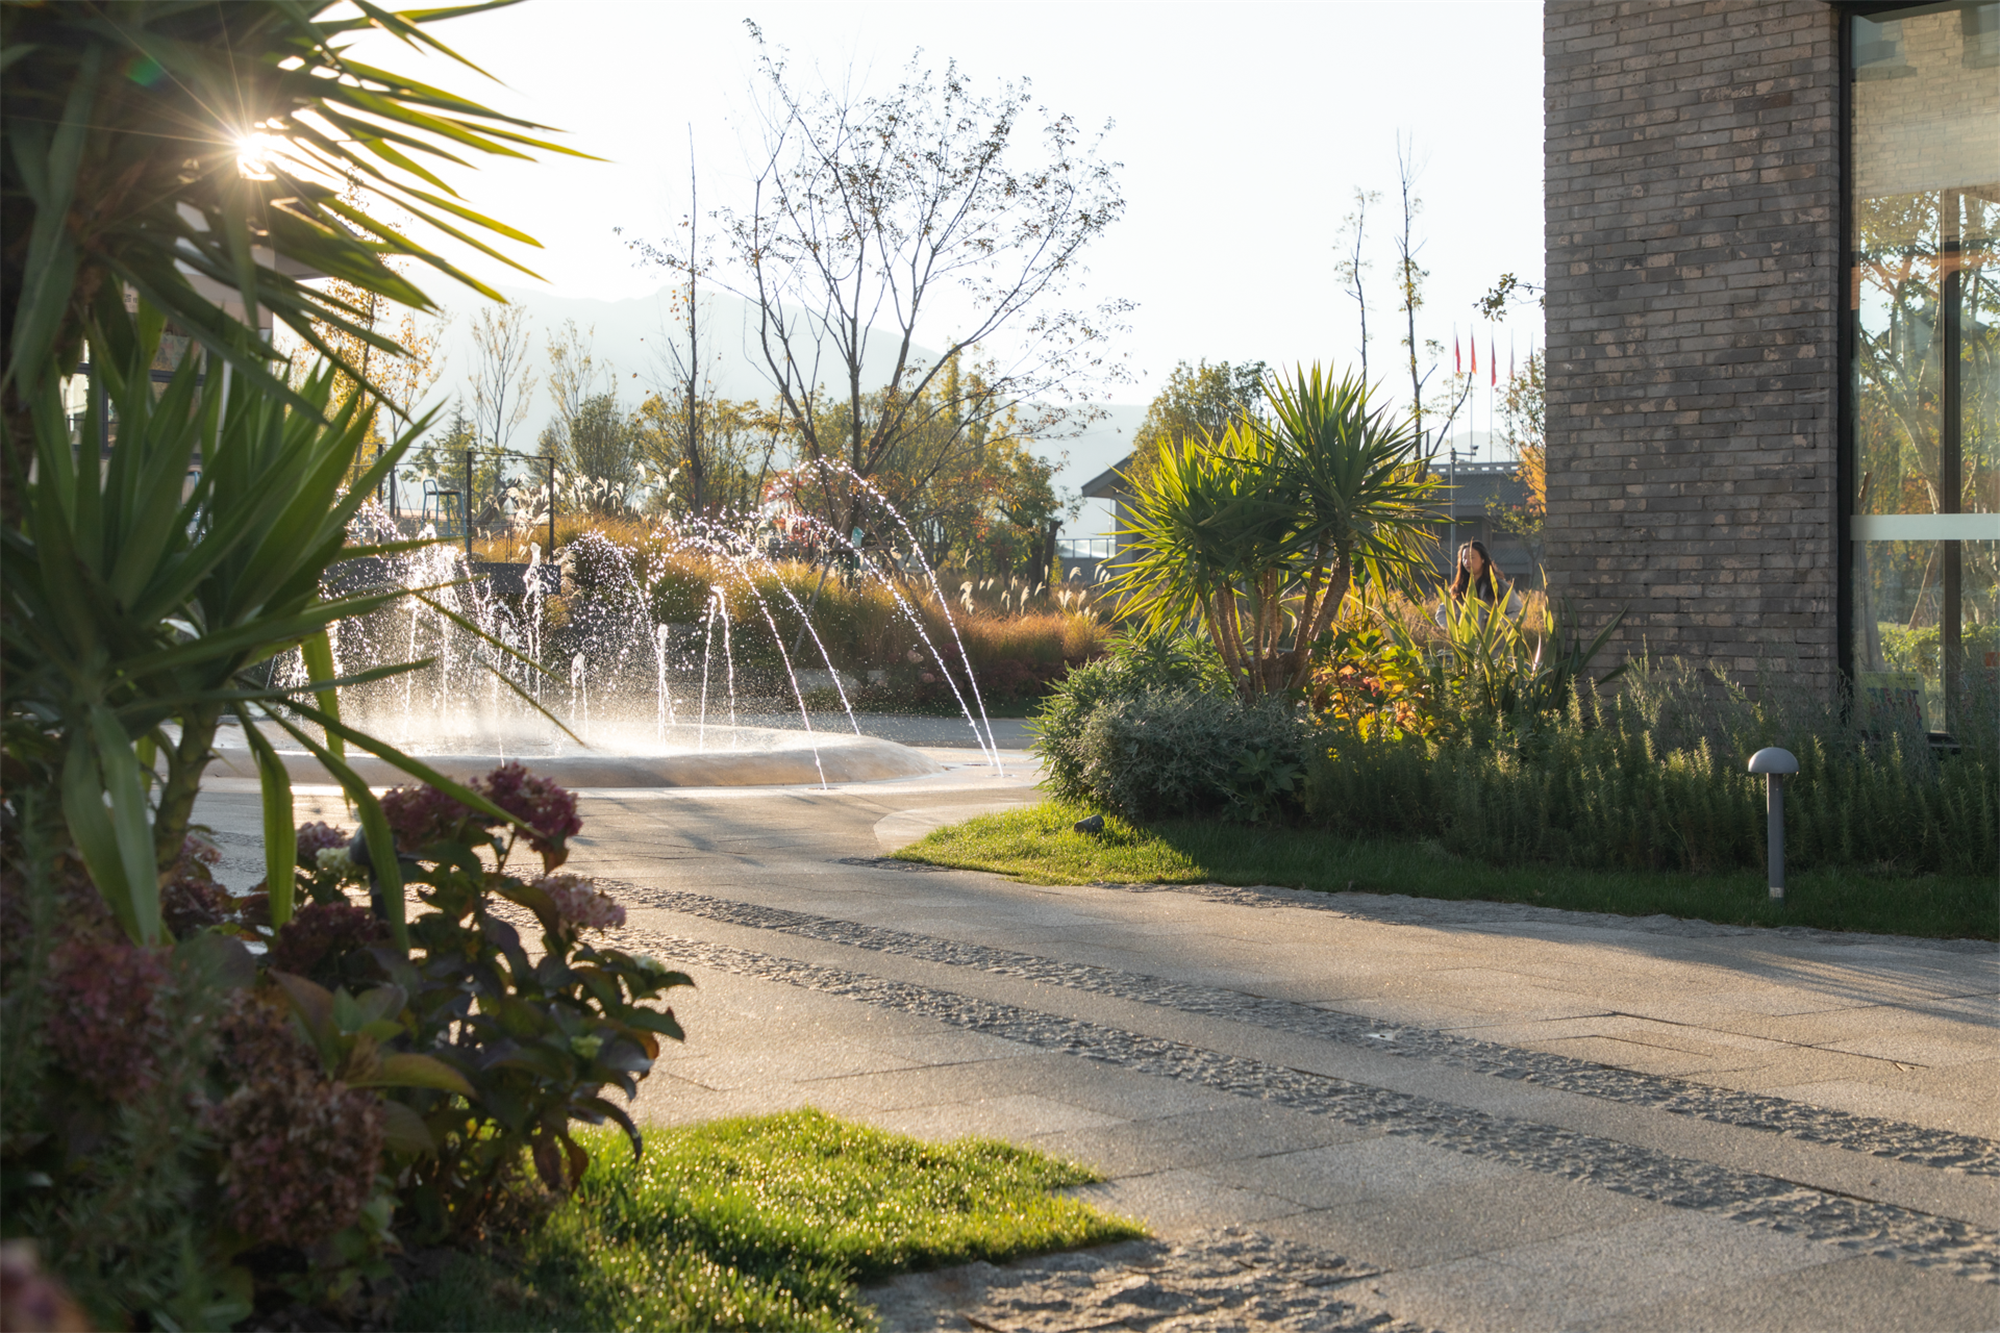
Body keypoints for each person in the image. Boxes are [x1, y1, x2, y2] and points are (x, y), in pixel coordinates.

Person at [1448, 540, 1509, 605]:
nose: (1467, 562)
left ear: (1483, 559)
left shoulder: (1500, 586)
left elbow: (1514, 608)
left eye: (1472, 558)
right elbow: (1444, 609)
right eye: (1464, 558)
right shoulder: (1457, 589)